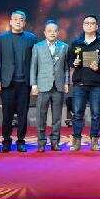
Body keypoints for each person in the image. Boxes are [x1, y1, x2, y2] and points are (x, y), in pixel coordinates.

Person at [0, 10, 39, 153]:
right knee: (7, 114)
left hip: (25, 83)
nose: (18, 21)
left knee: (23, 114)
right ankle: (6, 141)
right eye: (16, 19)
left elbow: (36, 62)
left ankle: (21, 141)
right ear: (11, 22)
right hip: (7, 83)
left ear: (24, 22)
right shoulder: (1, 38)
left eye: (21, 19)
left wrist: (35, 82)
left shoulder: (32, 38)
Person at [67, 14, 100, 151]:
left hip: (96, 84)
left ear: (96, 26)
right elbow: (69, 60)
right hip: (79, 83)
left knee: (96, 114)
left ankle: (94, 141)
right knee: (77, 113)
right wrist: (74, 63)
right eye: (86, 23)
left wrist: (99, 67)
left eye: (92, 23)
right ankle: (76, 140)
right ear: (83, 26)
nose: (89, 25)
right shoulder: (76, 42)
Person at [30, 20, 69, 152]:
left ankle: (55, 142)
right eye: (49, 31)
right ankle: (41, 143)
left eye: (55, 31)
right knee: (41, 116)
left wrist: (66, 82)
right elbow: (33, 67)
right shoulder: (38, 47)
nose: (52, 33)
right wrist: (34, 84)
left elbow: (66, 68)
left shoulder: (64, 47)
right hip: (42, 86)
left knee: (57, 117)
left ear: (58, 32)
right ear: (45, 33)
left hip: (58, 86)